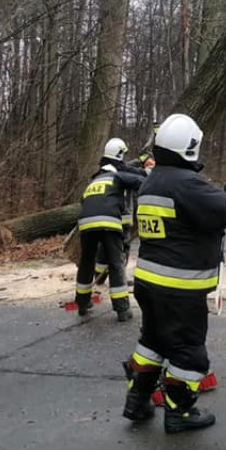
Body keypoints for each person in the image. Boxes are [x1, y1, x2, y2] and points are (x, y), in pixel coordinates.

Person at [121, 113, 226, 433]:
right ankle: (180, 413)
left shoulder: (151, 181)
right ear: (190, 148)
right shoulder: (186, 184)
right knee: (189, 353)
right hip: (179, 288)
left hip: (149, 284)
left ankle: (136, 402)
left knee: (152, 342)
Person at [75, 138, 145, 322]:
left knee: (86, 262)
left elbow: (84, 203)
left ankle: (82, 303)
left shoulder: (92, 182)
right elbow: (140, 181)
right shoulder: (117, 177)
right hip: (109, 223)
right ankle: (122, 309)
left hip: (86, 223)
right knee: (115, 263)